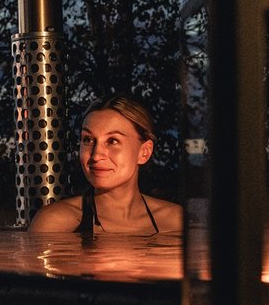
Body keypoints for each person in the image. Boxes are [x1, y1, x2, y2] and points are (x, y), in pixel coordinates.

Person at [29, 94, 184, 236]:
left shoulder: (175, 222)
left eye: (112, 141)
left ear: (144, 152)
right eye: (88, 140)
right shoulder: (55, 223)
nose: (96, 155)